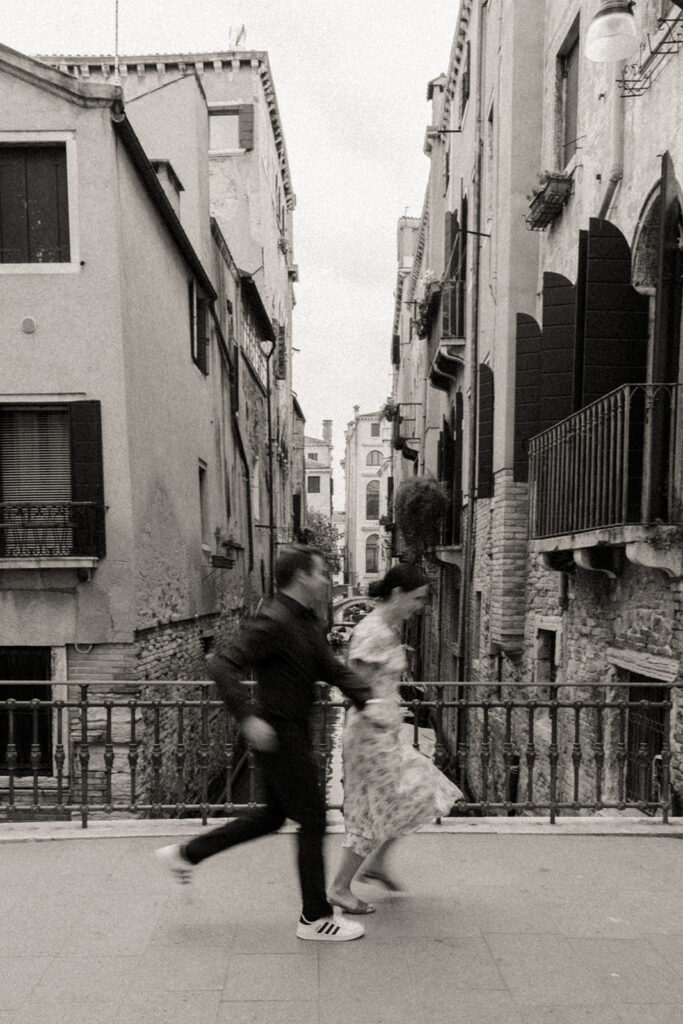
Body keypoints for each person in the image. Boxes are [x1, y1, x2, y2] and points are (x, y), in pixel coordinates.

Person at [155, 545, 372, 942]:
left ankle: (186, 854)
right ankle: (315, 918)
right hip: (278, 731)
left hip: (290, 730)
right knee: (313, 820)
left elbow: (329, 666)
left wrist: (365, 695)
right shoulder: (272, 619)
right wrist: (247, 715)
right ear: (302, 576)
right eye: (322, 572)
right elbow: (221, 663)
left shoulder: (306, 621)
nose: (327, 579)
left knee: (273, 817)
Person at [328, 564, 462, 913]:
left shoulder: (386, 628)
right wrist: (376, 712)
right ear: (398, 595)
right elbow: (356, 684)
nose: (421, 606)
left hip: (384, 732)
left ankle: (375, 865)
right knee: (372, 809)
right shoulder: (374, 631)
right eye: (417, 598)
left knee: (422, 788)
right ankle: (341, 888)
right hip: (370, 735)